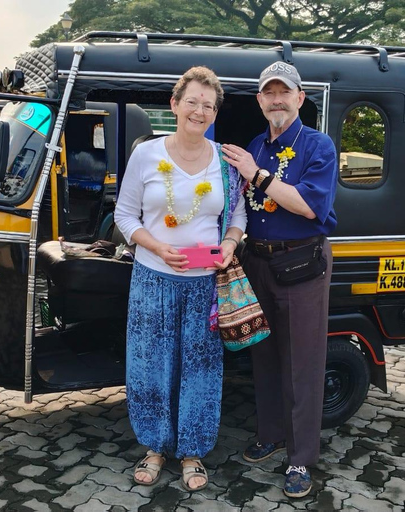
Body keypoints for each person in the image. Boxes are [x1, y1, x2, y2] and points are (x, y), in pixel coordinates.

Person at [115, 66, 247, 491]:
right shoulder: (146, 154)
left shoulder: (225, 162)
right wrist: (155, 248)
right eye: (191, 101)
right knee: (150, 365)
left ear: (214, 113)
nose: (199, 111)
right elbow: (123, 215)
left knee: (201, 368)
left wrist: (230, 243)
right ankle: (155, 447)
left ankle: (192, 453)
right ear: (174, 105)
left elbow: (239, 216)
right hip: (153, 278)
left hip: (207, 283)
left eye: (208, 105)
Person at [221, 62, 338, 498]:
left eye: (283, 92)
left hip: (302, 264)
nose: (276, 100)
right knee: (264, 355)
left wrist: (256, 173)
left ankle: (301, 458)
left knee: (302, 364)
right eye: (268, 93)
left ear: (299, 97)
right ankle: (270, 435)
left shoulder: (317, 146)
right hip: (258, 261)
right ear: (259, 101)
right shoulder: (256, 144)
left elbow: (309, 207)